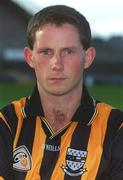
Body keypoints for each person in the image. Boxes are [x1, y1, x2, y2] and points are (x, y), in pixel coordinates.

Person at [0, 5, 123, 180]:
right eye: (45, 52)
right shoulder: (7, 123)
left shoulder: (116, 129)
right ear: (29, 57)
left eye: (69, 51)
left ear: (88, 57)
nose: (56, 64)